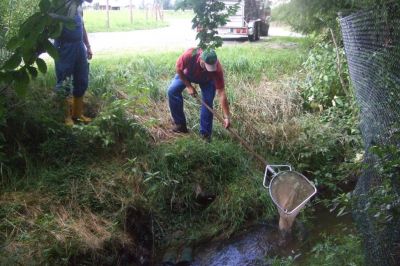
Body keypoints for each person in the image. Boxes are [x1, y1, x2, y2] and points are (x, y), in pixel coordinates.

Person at [167, 48, 231, 141]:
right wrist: (189, 86)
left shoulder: (216, 69)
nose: (209, 70)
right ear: (201, 59)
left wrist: (227, 117)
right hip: (187, 75)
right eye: (206, 66)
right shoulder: (189, 55)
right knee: (172, 91)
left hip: (207, 81)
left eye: (211, 67)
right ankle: (180, 125)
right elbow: (178, 68)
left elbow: (221, 93)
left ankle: (205, 135)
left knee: (207, 102)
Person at [54, 0, 93, 126]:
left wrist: (87, 45)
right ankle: (66, 117)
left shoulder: (79, 6)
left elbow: (82, 25)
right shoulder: (60, 5)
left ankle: (77, 114)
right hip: (64, 47)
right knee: (63, 81)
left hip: (79, 46)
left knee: (82, 79)